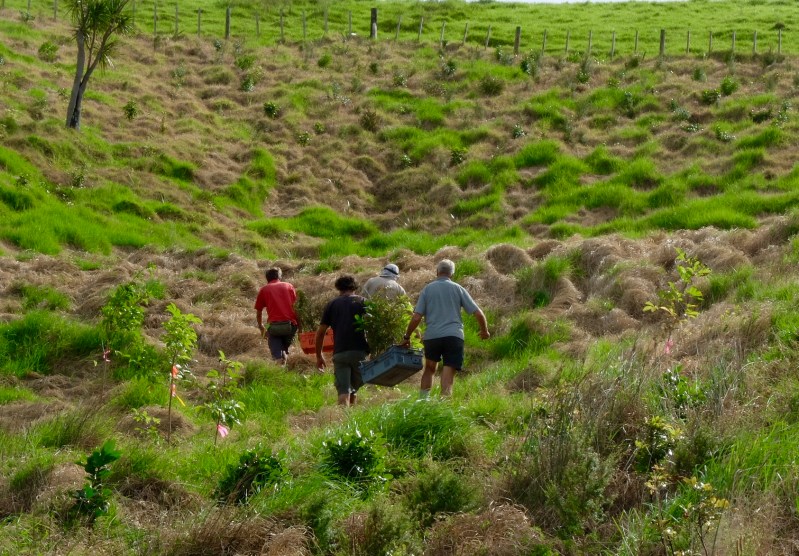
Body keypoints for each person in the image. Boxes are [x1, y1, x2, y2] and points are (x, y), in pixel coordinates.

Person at [401, 259, 490, 398]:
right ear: (452, 274)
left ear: (437, 272)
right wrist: (484, 331)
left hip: (432, 336)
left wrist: (407, 337)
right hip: (453, 336)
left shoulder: (427, 289)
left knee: (429, 369)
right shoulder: (458, 288)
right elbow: (478, 313)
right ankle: (444, 405)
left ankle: (423, 403)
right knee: (448, 370)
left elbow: (417, 317)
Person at [316, 275, 370, 406]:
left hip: (340, 352)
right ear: (355, 287)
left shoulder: (332, 304)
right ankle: (351, 420)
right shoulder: (363, 302)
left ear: (338, 288)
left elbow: (321, 332)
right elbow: (374, 328)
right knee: (354, 389)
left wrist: (319, 355)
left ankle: (343, 421)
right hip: (359, 351)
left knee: (343, 391)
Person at [254, 267, 298, 365]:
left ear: (267, 278)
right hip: (291, 325)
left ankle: (279, 366)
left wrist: (261, 327)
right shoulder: (289, 286)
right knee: (284, 349)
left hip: (274, 326)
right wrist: (300, 326)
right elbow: (297, 307)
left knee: (277, 352)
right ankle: (283, 364)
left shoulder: (264, 289)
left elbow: (259, 311)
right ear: (279, 276)